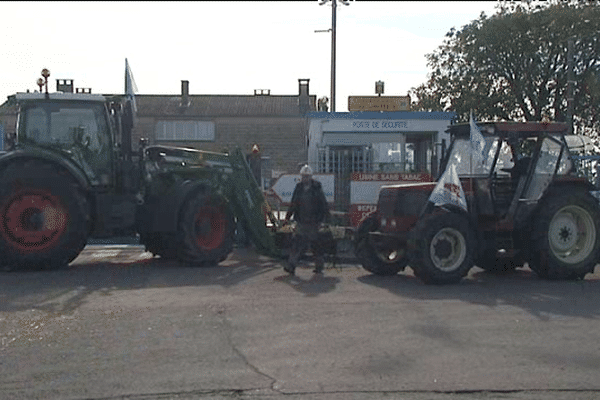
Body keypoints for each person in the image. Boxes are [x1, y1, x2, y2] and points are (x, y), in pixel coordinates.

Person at [283, 164, 330, 275]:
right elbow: (293, 204)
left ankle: (319, 266)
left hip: (314, 222)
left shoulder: (317, 188)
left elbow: (323, 205)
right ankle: (291, 266)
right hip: (301, 221)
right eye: (304, 176)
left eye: (307, 176)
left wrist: (325, 220)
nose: (305, 179)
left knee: (316, 245)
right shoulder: (299, 188)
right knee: (297, 244)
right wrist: (287, 218)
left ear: (311, 177)